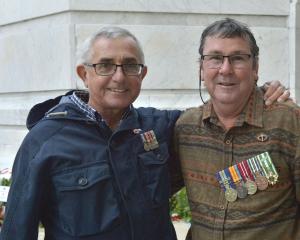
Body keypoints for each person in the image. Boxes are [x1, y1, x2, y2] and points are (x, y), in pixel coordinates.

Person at [0, 26, 289, 240]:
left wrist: (259, 93)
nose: (119, 76)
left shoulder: (161, 127)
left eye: (130, 65)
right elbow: (17, 230)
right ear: (83, 73)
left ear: (143, 73)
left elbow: (221, 112)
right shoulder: (44, 141)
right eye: (104, 65)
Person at [175, 18, 300, 240]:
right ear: (201, 69)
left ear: (255, 68)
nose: (225, 69)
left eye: (238, 58)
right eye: (215, 58)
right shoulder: (185, 128)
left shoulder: (289, 122)